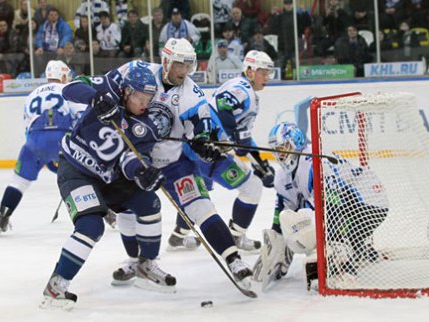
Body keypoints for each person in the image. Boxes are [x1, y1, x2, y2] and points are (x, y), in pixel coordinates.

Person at [112, 38, 254, 288]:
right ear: (165, 60)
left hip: (173, 162)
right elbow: (108, 88)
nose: (184, 71)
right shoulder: (137, 70)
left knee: (201, 207)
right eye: (179, 64)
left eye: (188, 65)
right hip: (134, 157)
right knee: (127, 209)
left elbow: (202, 128)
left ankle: (234, 259)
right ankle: (135, 260)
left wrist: (204, 144)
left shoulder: (191, 92)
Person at [41, 65, 171, 309]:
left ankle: (146, 264)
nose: (144, 103)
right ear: (126, 91)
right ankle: (57, 284)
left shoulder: (147, 126)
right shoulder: (108, 87)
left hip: (108, 179)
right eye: (140, 97)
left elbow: (130, 159)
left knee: (149, 202)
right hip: (76, 170)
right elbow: (70, 88)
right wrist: (95, 98)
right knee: (91, 225)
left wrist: (142, 172)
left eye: (148, 99)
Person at [252, 121, 388, 291]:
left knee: (310, 219)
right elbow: (283, 210)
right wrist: (277, 241)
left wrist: (332, 242)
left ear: (297, 141)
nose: (281, 155)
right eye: (277, 150)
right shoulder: (281, 176)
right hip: (348, 203)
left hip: (371, 202)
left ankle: (343, 259)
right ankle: (356, 247)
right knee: (295, 217)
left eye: (284, 147)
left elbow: (333, 204)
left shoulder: (314, 161)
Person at [170, 50, 276, 252]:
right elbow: (222, 106)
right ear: (251, 71)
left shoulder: (248, 93)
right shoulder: (242, 88)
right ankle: (236, 236)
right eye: (263, 72)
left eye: (268, 72)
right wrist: (235, 137)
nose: (266, 77)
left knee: (198, 194)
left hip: (200, 147)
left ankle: (178, 236)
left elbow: (244, 137)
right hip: (209, 150)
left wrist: (260, 163)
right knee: (252, 187)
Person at [0, 60, 84, 235]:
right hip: (63, 137)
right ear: (63, 75)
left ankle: (3, 216)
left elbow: (28, 127)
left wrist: (40, 151)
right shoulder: (69, 89)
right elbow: (81, 117)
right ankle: (105, 213)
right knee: (84, 177)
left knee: (18, 182)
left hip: (35, 139)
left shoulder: (32, 94)